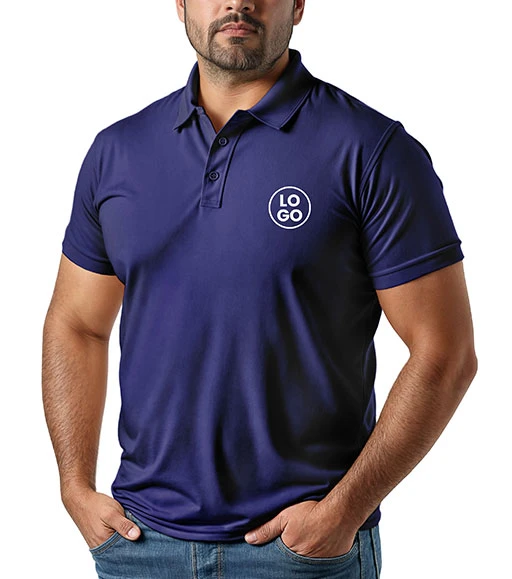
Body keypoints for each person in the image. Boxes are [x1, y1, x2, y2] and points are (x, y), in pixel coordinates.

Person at [42, 1, 477, 578]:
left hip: (301, 552)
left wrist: (343, 513)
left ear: (298, 5)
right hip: (139, 544)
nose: (237, 2)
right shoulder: (118, 152)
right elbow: (77, 324)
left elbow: (445, 353)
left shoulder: (371, 150)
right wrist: (74, 485)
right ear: (180, 5)